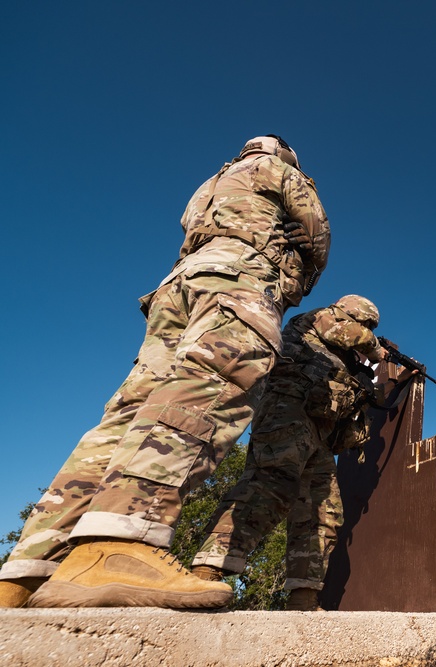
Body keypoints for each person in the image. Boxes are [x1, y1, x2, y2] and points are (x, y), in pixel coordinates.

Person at [0, 135, 330, 609]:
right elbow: (318, 233)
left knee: (130, 413)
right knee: (213, 385)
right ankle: (120, 544)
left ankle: (29, 571)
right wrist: (305, 264)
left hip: (179, 285)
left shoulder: (210, 183)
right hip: (238, 277)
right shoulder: (279, 170)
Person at [190, 295, 406, 611]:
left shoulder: (343, 359)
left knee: (323, 511)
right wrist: (378, 351)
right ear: (353, 314)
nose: (366, 330)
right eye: (366, 324)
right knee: (270, 484)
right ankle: (207, 572)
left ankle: (304, 596)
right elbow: (347, 332)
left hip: (318, 433)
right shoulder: (322, 318)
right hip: (287, 411)